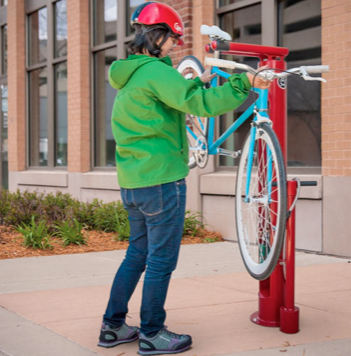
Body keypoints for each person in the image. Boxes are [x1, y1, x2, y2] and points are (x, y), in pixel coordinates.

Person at [98, 2, 270, 355]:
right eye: (173, 38)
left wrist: (196, 82)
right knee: (162, 260)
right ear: (156, 36)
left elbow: (172, 97)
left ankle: (112, 327)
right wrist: (243, 81)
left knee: (137, 256)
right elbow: (201, 105)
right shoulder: (157, 73)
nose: (175, 45)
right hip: (162, 182)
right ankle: (152, 333)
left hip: (134, 184)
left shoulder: (130, 74)